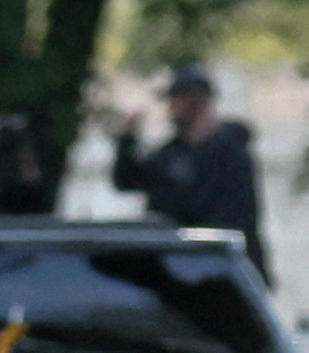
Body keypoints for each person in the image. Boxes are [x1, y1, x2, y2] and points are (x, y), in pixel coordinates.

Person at [109, 68, 267, 266]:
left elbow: (230, 216)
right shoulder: (170, 153)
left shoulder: (230, 150)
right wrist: (126, 143)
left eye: (176, 99)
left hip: (227, 267)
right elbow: (127, 182)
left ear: (197, 100)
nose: (170, 108)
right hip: (179, 268)